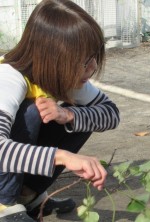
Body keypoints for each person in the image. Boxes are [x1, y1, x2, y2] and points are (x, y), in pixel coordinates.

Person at [0, 0, 120, 221]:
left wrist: (70, 115)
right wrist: (63, 157)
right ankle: (4, 203)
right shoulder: (9, 79)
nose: (92, 68)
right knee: (31, 113)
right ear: (54, 57)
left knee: (81, 113)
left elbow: (111, 114)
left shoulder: (63, 76)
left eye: (93, 57)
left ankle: (28, 195)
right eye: (84, 61)